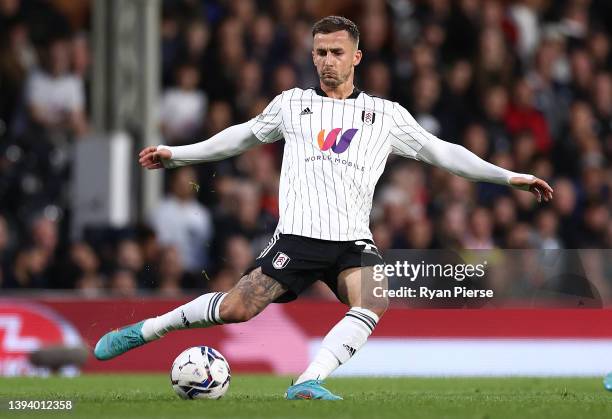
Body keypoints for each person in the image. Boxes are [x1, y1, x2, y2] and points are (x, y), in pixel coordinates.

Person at [94, 16, 553, 400]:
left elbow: (445, 153)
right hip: (298, 237)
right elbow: (239, 136)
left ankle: (308, 380)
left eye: (336, 52)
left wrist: (508, 176)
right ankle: (148, 330)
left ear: (356, 57)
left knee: (374, 299)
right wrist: (180, 153)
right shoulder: (292, 105)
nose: (327, 61)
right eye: (320, 52)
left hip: (352, 240)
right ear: (311, 56)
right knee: (236, 309)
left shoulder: (386, 115)